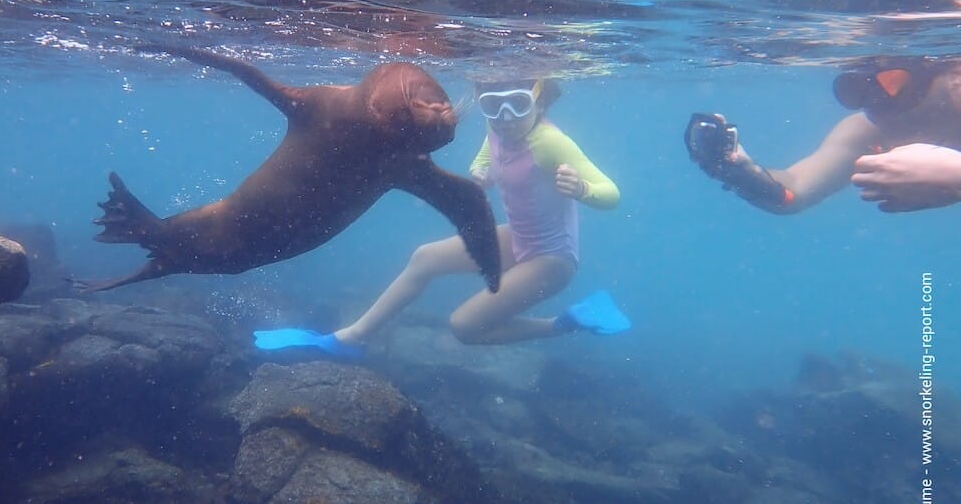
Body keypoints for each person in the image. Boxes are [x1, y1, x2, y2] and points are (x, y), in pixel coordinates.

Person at [253, 77, 630, 357]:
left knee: (464, 327)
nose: (505, 117)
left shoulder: (550, 143)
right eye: (493, 106)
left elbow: (611, 194)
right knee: (425, 258)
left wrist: (582, 189)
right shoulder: (498, 129)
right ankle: (352, 339)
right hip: (519, 238)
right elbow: (486, 157)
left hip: (552, 258)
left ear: (539, 104)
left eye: (517, 105)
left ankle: (568, 323)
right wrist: (480, 172)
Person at [685, 59, 961, 213]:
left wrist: (955, 177)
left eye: (892, 83)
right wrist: (736, 171)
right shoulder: (870, 130)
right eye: (855, 89)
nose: (877, 102)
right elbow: (794, 192)